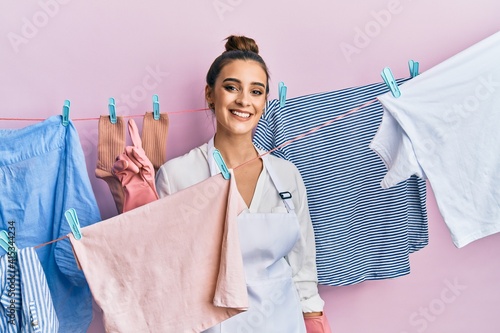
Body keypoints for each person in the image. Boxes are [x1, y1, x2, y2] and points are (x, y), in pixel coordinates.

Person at [155, 35, 331, 332]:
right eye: (231, 87)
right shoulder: (178, 175)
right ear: (210, 94)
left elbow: (302, 265)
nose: (244, 101)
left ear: (264, 101)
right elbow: (168, 272)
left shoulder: (286, 174)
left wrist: (314, 318)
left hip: (283, 323)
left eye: (256, 91)